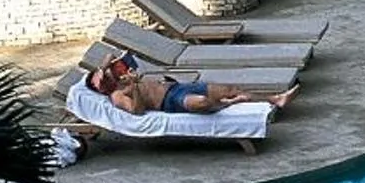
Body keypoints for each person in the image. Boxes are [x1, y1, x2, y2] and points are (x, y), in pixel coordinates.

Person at [85, 53, 289, 115]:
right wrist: (136, 86)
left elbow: (110, 54)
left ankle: (275, 98)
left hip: (177, 86)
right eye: (100, 83)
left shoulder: (118, 75)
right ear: (99, 89)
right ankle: (230, 103)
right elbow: (136, 111)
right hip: (171, 100)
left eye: (102, 77)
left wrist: (102, 69)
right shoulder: (117, 96)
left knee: (229, 88)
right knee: (201, 102)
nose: (104, 81)